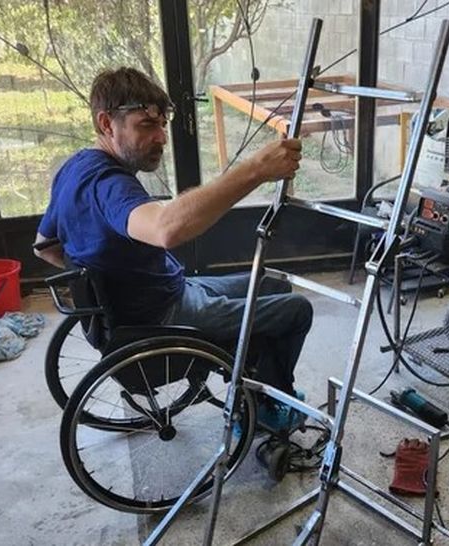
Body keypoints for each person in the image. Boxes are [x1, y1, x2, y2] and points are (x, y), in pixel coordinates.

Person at [34, 67, 312, 430]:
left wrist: (102, 288)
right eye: (147, 125)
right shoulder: (110, 185)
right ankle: (263, 408)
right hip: (164, 314)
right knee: (297, 310)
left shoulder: (73, 168)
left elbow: (43, 247)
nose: (162, 137)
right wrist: (255, 170)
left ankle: (253, 376)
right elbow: (166, 229)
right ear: (106, 123)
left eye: (162, 125)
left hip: (162, 293)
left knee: (274, 284)